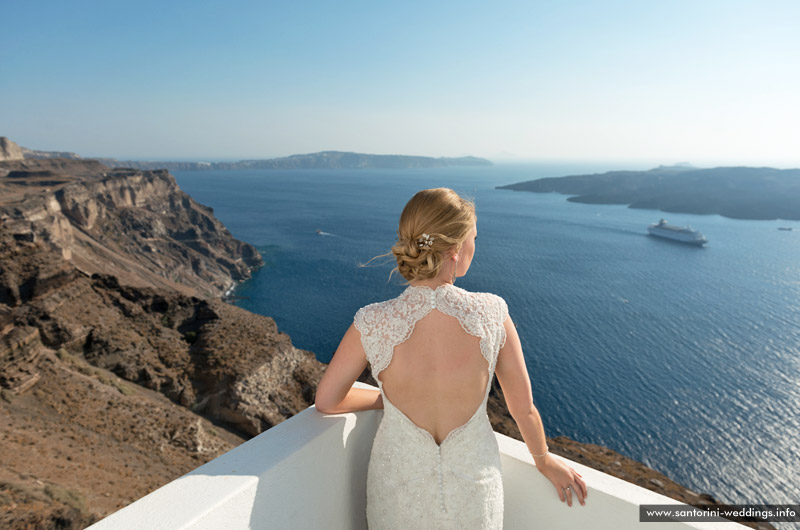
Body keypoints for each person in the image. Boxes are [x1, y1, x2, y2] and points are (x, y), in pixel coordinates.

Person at [315, 187, 587, 529]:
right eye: (474, 238)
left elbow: (327, 401)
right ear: (456, 249)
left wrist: (388, 401)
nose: (476, 245)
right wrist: (544, 460)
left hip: (396, 490)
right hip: (474, 491)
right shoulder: (492, 313)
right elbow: (523, 409)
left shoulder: (371, 321)